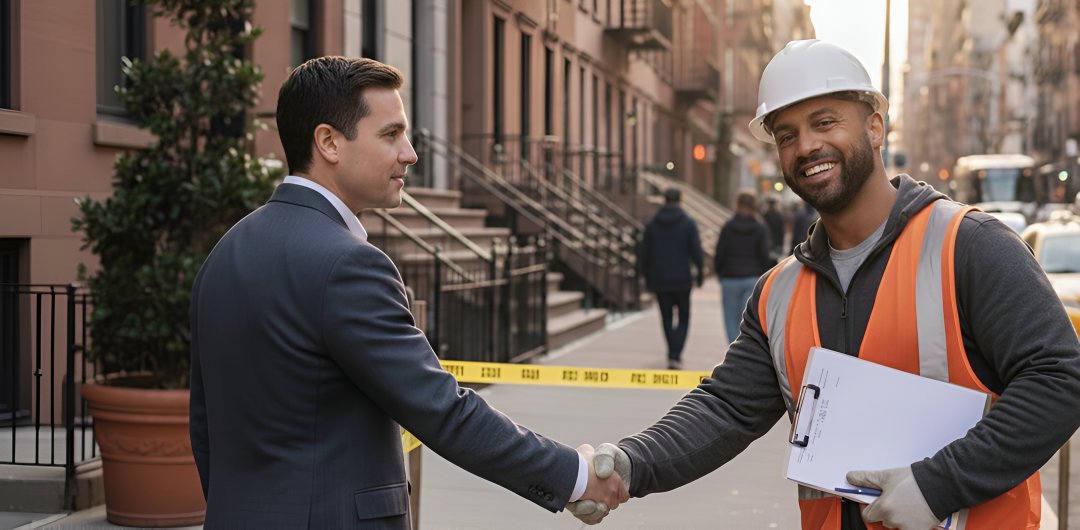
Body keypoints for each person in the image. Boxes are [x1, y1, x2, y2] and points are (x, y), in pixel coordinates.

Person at [569, 39, 1080, 529]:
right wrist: (632, 463)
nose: (806, 145)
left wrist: (938, 484)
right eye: (786, 134)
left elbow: (1061, 379)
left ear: (876, 127)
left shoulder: (968, 246)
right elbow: (725, 408)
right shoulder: (779, 293)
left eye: (825, 122)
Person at [189, 56, 627, 529]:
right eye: (390, 134)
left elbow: (204, 427)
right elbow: (443, 411)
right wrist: (577, 476)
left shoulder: (224, 254)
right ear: (329, 142)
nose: (410, 153)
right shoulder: (350, 265)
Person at [638, 187, 704, 370]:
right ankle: (676, 353)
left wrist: (646, 275)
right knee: (684, 317)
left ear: (664, 200)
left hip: (660, 279)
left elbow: (644, 253)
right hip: (682, 278)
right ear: (680, 200)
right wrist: (699, 273)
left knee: (666, 317)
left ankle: (671, 352)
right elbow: (696, 251)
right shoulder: (688, 223)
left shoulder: (652, 224)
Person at [714, 189, 773, 343]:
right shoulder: (761, 228)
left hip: (730, 278)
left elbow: (720, 252)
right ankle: (744, 351)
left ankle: (733, 350)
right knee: (748, 320)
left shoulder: (728, 227)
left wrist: (720, 273)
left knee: (730, 318)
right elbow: (764, 255)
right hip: (752, 278)